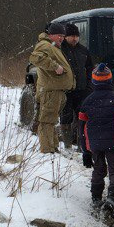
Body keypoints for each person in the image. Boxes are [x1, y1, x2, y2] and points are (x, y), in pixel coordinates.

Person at [76, 64, 114, 212]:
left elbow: (81, 128)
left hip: (94, 145)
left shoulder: (87, 101)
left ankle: (96, 199)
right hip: (113, 143)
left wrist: (85, 151)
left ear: (93, 81)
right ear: (110, 81)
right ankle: (112, 197)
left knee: (98, 170)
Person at [28, 23, 75, 153]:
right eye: (59, 36)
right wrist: (55, 66)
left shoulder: (52, 46)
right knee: (47, 121)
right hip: (51, 90)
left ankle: (53, 147)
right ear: (51, 35)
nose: (61, 38)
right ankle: (47, 151)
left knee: (51, 120)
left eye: (63, 36)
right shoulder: (45, 45)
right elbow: (35, 58)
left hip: (56, 90)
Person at [59, 23, 94, 148]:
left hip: (82, 90)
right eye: (71, 36)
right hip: (67, 90)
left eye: (76, 36)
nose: (74, 38)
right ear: (65, 37)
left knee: (82, 118)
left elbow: (90, 68)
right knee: (66, 117)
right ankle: (67, 144)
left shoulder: (83, 50)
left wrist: (89, 85)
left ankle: (82, 145)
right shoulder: (60, 50)